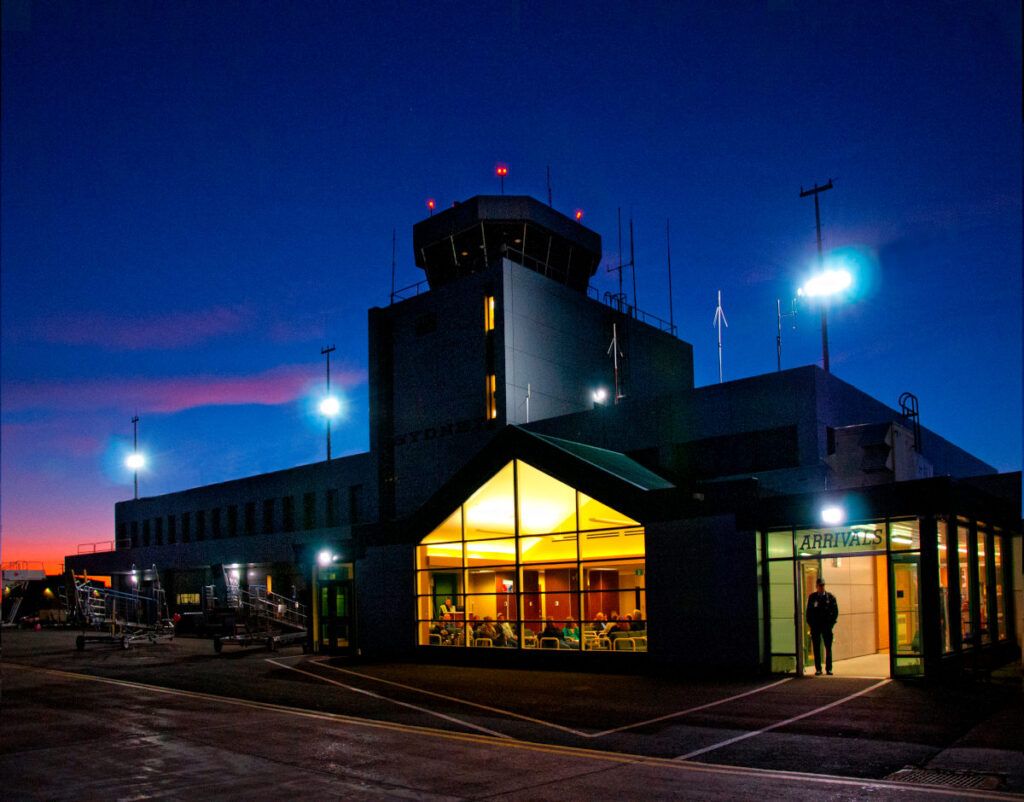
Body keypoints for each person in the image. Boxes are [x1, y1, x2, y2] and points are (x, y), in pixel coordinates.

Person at [806, 578, 839, 675]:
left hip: (826, 626)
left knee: (828, 648)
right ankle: (818, 669)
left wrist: (831, 624)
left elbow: (835, 612)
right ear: (816, 586)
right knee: (816, 648)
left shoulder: (831, 597)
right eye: (820, 585)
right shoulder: (812, 597)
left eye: (823, 585)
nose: (821, 587)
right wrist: (811, 624)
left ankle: (829, 668)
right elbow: (809, 613)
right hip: (816, 627)